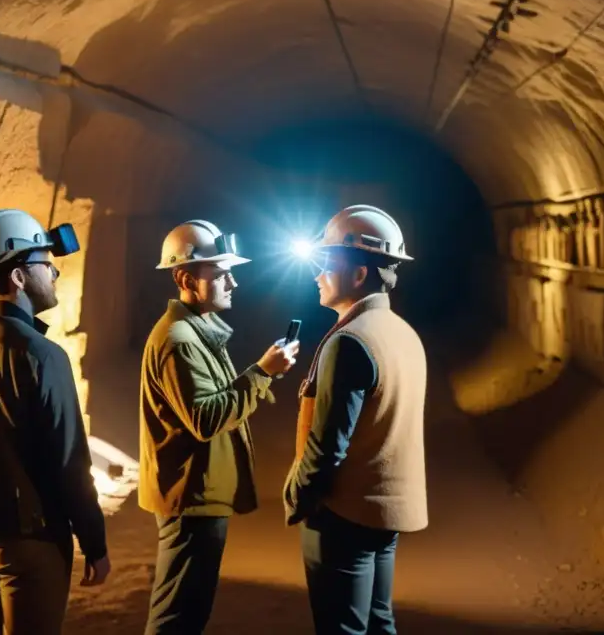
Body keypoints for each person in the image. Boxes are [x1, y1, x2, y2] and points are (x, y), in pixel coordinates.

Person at [0, 208, 110, 635]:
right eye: (47, 264)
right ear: (18, 277)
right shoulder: (42, 356)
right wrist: (94, 544)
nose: (55, 274)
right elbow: (70, 467)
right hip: (31, 541)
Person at [139, 219, 300, 635]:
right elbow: (206, 418)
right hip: (191, 495)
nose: (233, 282)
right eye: (221, 273)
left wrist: (263, 371)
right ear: (186, 278)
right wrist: (262, 373)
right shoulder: (180, 340)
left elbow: (214, 399)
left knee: (188, 611)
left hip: (200, 491)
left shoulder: (196, 331)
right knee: (176, 615)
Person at [284, 205, 428, 635]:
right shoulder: (401, 332)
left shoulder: (349, 341)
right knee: (379, 622)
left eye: (328, 263)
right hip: (387, 512)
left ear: (360, 274)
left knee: (342, 628)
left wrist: (298, 494)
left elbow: (327, 446)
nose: (318, 275)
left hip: (344, 514)